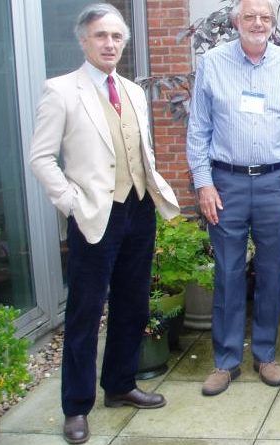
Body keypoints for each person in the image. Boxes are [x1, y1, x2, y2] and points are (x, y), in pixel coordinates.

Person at [28, 3, 181, 443]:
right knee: (85, 311)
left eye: (116, 37)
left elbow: (139, 150)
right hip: (94, 214)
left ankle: (119, 384)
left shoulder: (132, 90)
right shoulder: (60, 90)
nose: (109, 44)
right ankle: (76, 407)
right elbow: (40, 157)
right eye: (100, 36)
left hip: (138, 208)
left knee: (133, 302)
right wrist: (70, 202)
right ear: (84, 41)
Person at [186, 0, 280, 394]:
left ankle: (265, 354)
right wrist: (203, 183)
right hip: (226, 184)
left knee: (272, 271)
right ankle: (226, 362)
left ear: (272, 24)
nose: (258, 23)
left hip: (276, 182)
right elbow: (198, 130)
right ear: (235, 22)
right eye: (249, 17)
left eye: (265, 17)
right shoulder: (212, 63)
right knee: (227, 273)